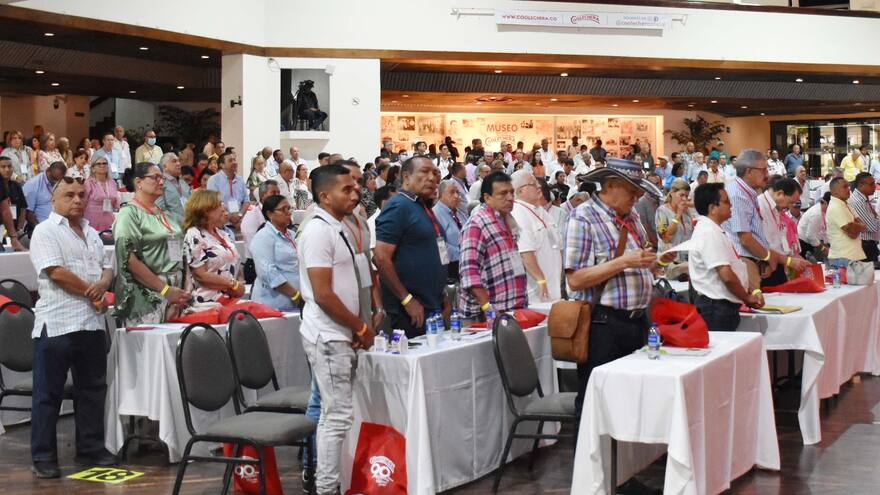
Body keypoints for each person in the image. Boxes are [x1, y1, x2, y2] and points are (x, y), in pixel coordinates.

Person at [564, 158, 672, 425]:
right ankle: (589, 453)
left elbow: (639, 263)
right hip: (603, 325)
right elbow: (575, 280)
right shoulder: (583, 217)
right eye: (631, 191)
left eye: (639, 192)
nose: (637, 198)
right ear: (610, 186)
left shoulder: (632, 217)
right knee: (596, 402)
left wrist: (657, 261)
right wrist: (624, 262)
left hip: (638, 321)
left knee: (634, 401)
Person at [28, 176, 117, 479]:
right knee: (48, 394)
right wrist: (94, 294)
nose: (77, 200)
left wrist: (103, 284)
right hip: (57, 323)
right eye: (69, 195)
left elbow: (107, 267)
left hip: (91, 323)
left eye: (81, 194)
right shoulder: (45, 231)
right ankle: (43, 456)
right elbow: (56, 272)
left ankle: (90, 448)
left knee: (92, 390)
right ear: (53, 200)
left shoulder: (91, 232)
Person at [297, 164, 378, 495]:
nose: (355, 193)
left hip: (339, 332)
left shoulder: (338, 226)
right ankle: (326, 488)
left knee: (335, 414)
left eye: (355, 187)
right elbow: (323, 294)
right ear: (325, 196)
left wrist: (357, 324)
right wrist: (359, 326)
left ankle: (330, 483)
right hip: (328, 334)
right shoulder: (318, 231)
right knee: (336, 416)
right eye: (346, 189)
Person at [374, 156, 448, 337]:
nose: (432, 178)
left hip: (433, 304)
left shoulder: (421, 205)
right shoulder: (398, 206)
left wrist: (442, 294)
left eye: (435, 173)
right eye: (424, 172)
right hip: (411, 310)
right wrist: (406, 299)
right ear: (406, 177)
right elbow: (381, 257)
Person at [112, 162, 191, 325]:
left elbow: (181, 250)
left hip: (176, 291)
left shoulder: (164, 213)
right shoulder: (129, 214)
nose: (161, 182)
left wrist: (186, 285)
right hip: (149, 294)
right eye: (155, 177)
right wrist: (165, 289)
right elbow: (128, 259)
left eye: (162, 178)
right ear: (138, 182)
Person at [723, 149, 808, 288]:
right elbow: (745, 239)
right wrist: (769, 258)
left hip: (759, 261)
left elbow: (757, 236)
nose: (767, 174)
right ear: (749, 171)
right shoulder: (738, 195)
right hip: (745, 263)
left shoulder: (749, 193)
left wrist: (767, 259)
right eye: (763, 170)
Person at [689, 183, 764, 332]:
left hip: (720, 306)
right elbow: (726, 275)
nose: (731, 205)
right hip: (715, 307)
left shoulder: (714, 230)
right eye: (726, 202)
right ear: (712, 208)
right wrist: (746, 297)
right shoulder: (709, 232)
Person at [459, 171, 528, 319]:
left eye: (511, 192)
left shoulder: (508, 220)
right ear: (487, 198)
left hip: (510, 310)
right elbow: (469, 273)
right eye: (503, 193)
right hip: (484, 316)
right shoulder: (477, 224)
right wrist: (488, 309)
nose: (510, 198)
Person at [182, 189, 244, 309]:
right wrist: (232, 284)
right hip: (207, 302)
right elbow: (201, 275)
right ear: (206, 210)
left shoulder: (223, 234)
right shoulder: (194, 234)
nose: (223, 207)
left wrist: (237, 284)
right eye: (219, 204)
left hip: (229, 296)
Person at [510, 170, 562, 303]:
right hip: (536, 292)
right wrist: (541, 279)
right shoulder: (518, 212)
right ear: (520, 191)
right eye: (533, 184)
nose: (539, 186)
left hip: (554, 287)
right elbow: (525, 253)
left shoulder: (539, 209)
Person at [248, 194, 305, 311]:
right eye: (283, 209)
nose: (288, 212)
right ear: (270, 214)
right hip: (272, 303)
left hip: (296, 301)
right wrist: (294, 295)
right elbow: (267, 272)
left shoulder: (292, 235)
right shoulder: (263, 236)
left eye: (289, 208)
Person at [757, 177, 803, 284]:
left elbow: (778, 239)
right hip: (765, 265)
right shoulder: (760, 206)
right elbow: (755, 241)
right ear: (780, 193)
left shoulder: (776, 208)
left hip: (778, 262)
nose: (788, 207)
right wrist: (764, 262)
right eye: (790, 202)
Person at [241, 180, 279, 284]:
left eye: (278, 193)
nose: (277, 196)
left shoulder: (277, 214)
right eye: (273, 193)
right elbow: (253, 247)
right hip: (256, 266)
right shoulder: (252, 216)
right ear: (262, 195)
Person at [826, 176, 867, 267]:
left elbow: (864, 227)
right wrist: (859, 226)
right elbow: (852, 233)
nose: (848, 189)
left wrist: (857, 226)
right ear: (834, 191)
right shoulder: (836, 207)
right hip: (843, 258)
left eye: (848, 186)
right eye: (845, 187)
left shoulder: (846, 205)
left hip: (849, 257)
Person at [206, 152, 249, 229]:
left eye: (234, 160)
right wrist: (230, 217)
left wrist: (239, 215)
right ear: (222, 165)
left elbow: (246, 201)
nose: (234, 162)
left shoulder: (240, 179)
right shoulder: (214, 180)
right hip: (221, 224)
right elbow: (214, 201)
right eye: (230, 160)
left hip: (239, 223)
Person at [656, 179, 695, 263]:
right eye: (681, 195)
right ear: (672, 193)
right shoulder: (662, 211)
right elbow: (664, 235)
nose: (684, 199)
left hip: (686, 259)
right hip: (669, 260)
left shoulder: (686, 211)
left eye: (686, 196)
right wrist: (678, 215)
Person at [433, 180, 463, 281]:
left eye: (457, 192)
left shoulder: (458, 211)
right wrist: (463, 254)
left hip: (464, 261)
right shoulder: (435, 214)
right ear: (441, 195)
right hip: (451, 268)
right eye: (452, 192)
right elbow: (440, 246)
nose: (456, 196)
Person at [847, 172, 880, 263]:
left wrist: (876, 218)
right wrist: (877, 218)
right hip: (864, 245)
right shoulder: (858, 202)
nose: (874, 187)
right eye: (871, 184)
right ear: (861, 185)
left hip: (867, 244)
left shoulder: (863, 199)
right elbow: (873, 227)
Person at [24, 161, 67, 226]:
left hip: (59, 224)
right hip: (41, 226)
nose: (55, 181)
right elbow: (28, 213)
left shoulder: (60, 182)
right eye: (53, 178)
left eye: (58, 179)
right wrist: (38, 228)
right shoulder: (33, 185)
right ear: (47, 170)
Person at [82, 156, 118, 232]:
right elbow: (83, 202)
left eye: (104, 163)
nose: (102, 165)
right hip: (92, 220)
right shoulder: (88, 183)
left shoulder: (112, 182)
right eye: (98, 164)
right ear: (93, 168)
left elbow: (116, 202)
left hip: (109, 220)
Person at [155, 152, 190, 224]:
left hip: (191, 224)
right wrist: (182, 220)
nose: (178, 164)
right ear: (164, 166)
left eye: (179, 161)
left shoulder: (183, 182)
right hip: (173, 227)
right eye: (174, 161)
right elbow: (160, 210)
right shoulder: (160, 183)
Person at [0, 156, 27, 251]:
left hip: (15, 230)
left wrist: (19, 229)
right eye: (3, 167)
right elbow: (5, 211)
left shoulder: (16, 186)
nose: (7, 169)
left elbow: (23, 208)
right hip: (2, 230)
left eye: (9, 166)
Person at [799, 192, 830, 262]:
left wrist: (827, 244)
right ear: (825, 203)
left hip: (811, 241)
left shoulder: (822, 210)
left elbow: (823, 230)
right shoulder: (817, 214)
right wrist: (823, 248)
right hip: (803, 243)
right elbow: (810, 236)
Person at [634, 173, 662, 248]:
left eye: (657, 184)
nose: (655, 187)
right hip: (654, 245)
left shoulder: (663, 200)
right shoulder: (640, 203)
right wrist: (657, 245)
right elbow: (645, 228)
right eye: (652, 184)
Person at [368, 185, 396, 251]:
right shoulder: (372, 223)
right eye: (396, 200)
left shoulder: (398, 217)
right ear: (384, 203)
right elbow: (375, 251)